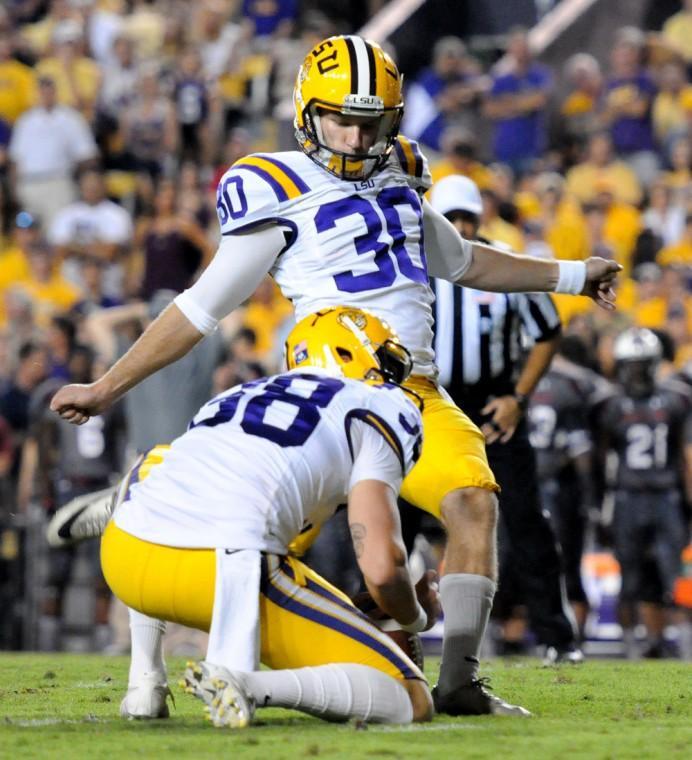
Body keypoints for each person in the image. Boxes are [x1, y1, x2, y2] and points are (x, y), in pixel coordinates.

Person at [51, 34, 620, 717]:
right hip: (328, 391)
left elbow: (465, 261)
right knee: (246, 528)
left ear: (392, 121)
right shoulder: (278, 187)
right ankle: (148, 670)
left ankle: (460, 678)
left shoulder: (403, 180)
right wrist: (106, 387)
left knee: (475, 503)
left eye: (369, 121)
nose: (352, 135)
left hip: (415, 394)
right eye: (339, 118)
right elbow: (198, 309)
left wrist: (573, 276)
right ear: (305, 111)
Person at [102, 306, 437, 726]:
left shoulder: (234, 397)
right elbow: (383, 569)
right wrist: (412, 617)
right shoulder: (380, 403)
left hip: (126, 553)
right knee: (412, 696)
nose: (389, 377)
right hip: (219, 565)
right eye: (385, 363)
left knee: (161, 467)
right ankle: (245, 684)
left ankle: (145, 682)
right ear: (354, 355)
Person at [429, 175, 580, 663]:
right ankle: (377, 632)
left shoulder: (503, 266)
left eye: (467, 216)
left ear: (480, 216)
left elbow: (548, 330)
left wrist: (517, 396)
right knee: (392, 514)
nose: (460, 225)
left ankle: (556, 636)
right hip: (430, 405)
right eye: (451, 217)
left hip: (495, 407)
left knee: (526, 520)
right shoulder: (414, 264)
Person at [597, 328, 692, 658]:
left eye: (643, 365)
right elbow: (601, 457)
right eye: (632, 365)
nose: (637, 372)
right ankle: (631, 644)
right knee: (630, 573)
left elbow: (685, 454)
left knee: (674, 571)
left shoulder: (677, 398)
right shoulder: (609, 403)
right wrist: (598, 505)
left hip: (664, 495)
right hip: (628, 495)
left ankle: (674, 639)